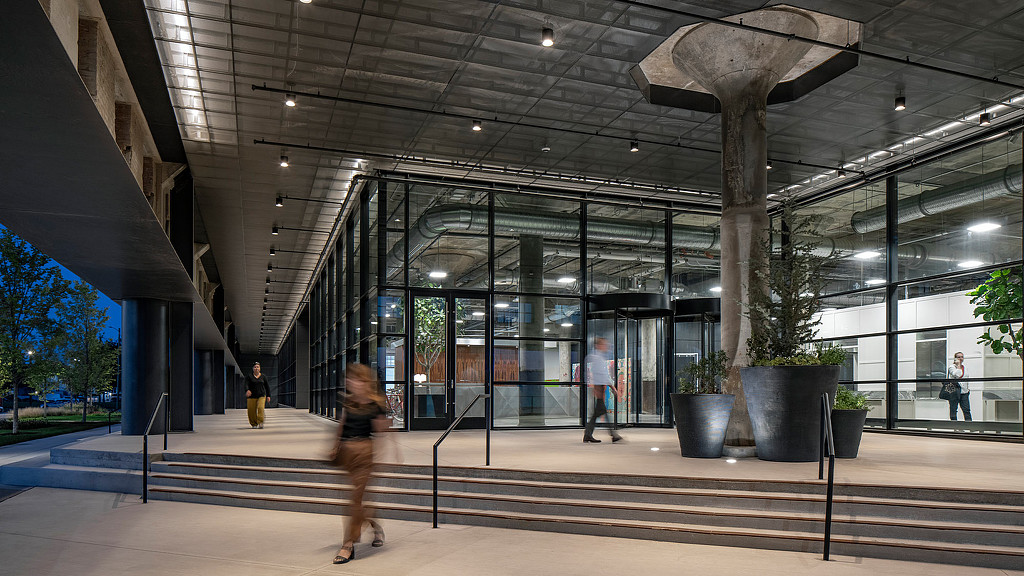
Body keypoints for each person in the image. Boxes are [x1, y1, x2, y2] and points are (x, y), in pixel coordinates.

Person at [329, 363, 390, 564]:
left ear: (365, 382)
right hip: (347, 453)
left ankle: (348, 544)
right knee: (359, 500)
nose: (350, 382)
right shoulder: (349, 402)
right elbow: (342, 425)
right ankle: (376, 526)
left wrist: (381, 457)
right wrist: (335, 446)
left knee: (355, 499)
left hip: (365, 453)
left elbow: (382, 433)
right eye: (349, 379)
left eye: (355, 379)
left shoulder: (376, 404)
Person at [583, 337, 623, 443]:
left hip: (599, 387)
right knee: (601, 412)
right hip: (599, 388)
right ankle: (612, 434)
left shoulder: (595, 357)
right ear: (598, 345)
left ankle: (588, 434)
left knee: (598, 412)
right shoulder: (597, 358)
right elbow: (601, 376)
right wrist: (612, 388)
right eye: (604, 344)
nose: (606, 346)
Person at [946, 352, 972, 421]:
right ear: (955, 358)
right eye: (959, 357)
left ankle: (970, 427)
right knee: (953, 410)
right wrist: (958, 365)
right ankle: (955, 427)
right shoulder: (952, 367)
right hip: (954, 392)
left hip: (964, 392)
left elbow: (966, 378)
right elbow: (957, 375)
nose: (961, 358)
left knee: (966, 410)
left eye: (962, 357)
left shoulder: (965, 368)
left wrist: (967, 389)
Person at [244, 362, 271, 429]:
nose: (256, 368)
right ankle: (254, 424)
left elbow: (267, 387)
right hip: (251, 396)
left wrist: (268, 395)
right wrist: (247, 390)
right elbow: (246, 384)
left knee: (260, 408)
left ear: (260, 368)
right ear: (253, 368)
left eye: (258, 367)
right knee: (251, 410)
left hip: (261, 395)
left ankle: (260, 422)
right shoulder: (249, 376)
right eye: (255, 367)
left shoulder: (263, 376)